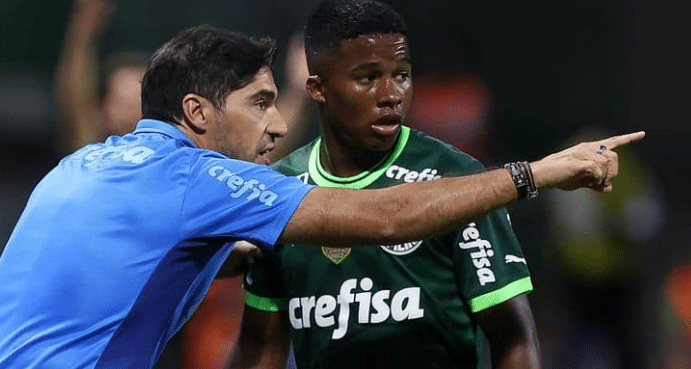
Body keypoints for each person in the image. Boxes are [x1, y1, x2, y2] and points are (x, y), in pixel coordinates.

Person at [0, 24, 640, 369]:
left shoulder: (81, 165)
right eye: (260, 103)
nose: (278, 126)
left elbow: (129, 271)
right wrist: (533, 175)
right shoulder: (191, 181)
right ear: (197, 112)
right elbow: (385, 216)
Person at [227, 0, 538, 369]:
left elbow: (513, 337)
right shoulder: (279, 191)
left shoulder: (459, 181)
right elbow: (260, 349)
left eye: (402, 75)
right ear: (317, 88)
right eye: (368, 78)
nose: (391, 95)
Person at [54, 0, 149, 153]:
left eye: (139, 102)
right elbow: (78, 104)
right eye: (121, 102)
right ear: (102, 110)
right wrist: (83, 32)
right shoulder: (92, 155)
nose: (130, 112)